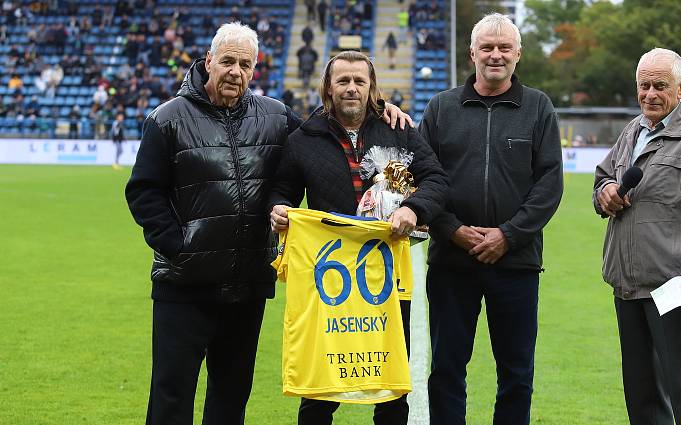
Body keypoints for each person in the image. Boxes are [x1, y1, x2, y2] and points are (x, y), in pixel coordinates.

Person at [125, 22, 304, 425]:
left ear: (254, 70)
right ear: (209, 61)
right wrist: (180, 247)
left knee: (231, 398)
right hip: (183, 286)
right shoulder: (167, 119)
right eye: (227, 61)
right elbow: (143, 192)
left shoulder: (276, 118)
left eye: (245, 64)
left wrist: (382, 109)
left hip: (247, 285)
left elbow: (323, 141)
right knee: (171, 397)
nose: (235, 72)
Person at [268, 50, 448, 425]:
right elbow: (281, 189)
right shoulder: (304, 138)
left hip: (387, 275)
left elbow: (436, 179)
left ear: (371, 88)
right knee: (320, 388)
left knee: (391, 385)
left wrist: (413, 209)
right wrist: (279, 209)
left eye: (359, 82)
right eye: (343, 81)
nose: (351, 88)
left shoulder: (398, 129)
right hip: (330, 275)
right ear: (328, 89)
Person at [419, 13, 563, 425]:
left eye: (504, 47)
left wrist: (508, 235)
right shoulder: (441, 107)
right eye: (487, 47)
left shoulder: (538, 107)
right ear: (472, 53)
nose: (495, 55)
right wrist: (454, 231)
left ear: (518, 54)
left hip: (516, 264)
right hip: (451, 262)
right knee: (446, 369)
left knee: (516, 375)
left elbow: (549, 184)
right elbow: (423, 180)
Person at [593, 47, 681, 425]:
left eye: (660, 86)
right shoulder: (632, 130)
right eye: (643, 86)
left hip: (675, 287)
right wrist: (604, 191)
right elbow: (603, 176)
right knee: (642, 402)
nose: (650, 94)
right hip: (627, 286)